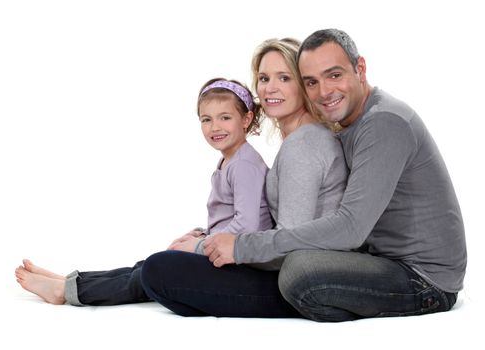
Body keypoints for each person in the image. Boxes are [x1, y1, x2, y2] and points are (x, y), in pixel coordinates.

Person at [204, 29, 468, 322]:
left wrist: (242, 247)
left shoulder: (384, 123)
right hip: (379, 259)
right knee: (298, 266)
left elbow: (350, 227)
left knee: (300, 272)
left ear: (361, 69)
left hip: (423, 279)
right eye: (312, 83)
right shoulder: (342, 126)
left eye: (334, 75)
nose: (324, 91)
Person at [14, 78, 273, 306]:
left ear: (246, 119)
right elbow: (229, 218)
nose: (215, 127)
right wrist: (200, 234)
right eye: (207, 119)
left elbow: (247, 225)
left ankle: (66, 292)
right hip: (225, 249)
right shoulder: (231, 160)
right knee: (143, 266)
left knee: (145, 275)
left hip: (241, 261)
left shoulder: (244, 165)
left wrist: (198, 246)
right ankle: (72, 283)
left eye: (225, 118)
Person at [140, 38, 348, 317]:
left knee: (160, 268)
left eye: (284, 78)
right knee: (164, 263)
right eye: (264, 78)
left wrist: (204, 247)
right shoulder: (299, 141)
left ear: (304, 84)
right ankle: (77, 287)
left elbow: (289, 243)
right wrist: (208, 238)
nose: (269, 87)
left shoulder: (303, 146)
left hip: (295, 281)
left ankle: (79, 289)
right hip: (285, 266)